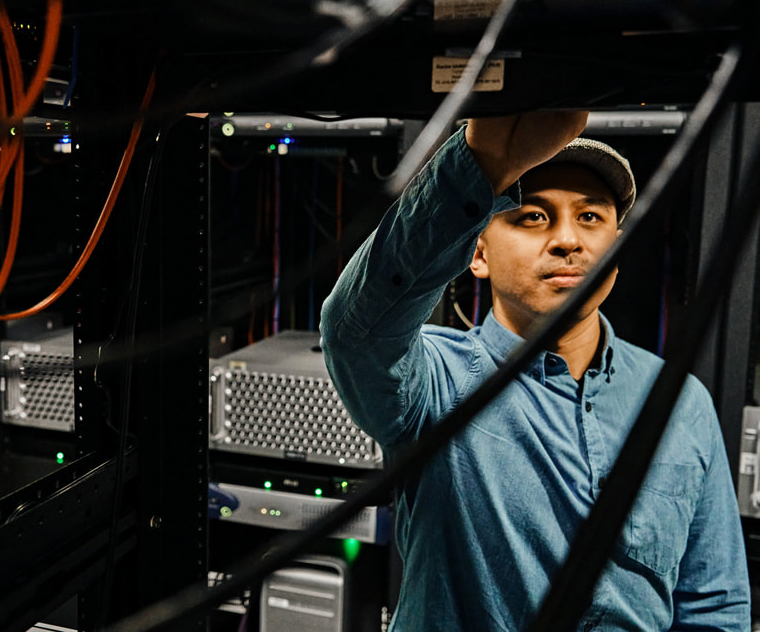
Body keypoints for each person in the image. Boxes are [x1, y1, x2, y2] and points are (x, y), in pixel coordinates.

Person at [319, 111, 751, 630]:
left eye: (590, 217)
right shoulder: (435, 383)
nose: (568, 240)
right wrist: (481, 164)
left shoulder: (680, 401)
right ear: (477, 252)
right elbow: (355, 330)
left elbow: (713, 608)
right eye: (533, 217)